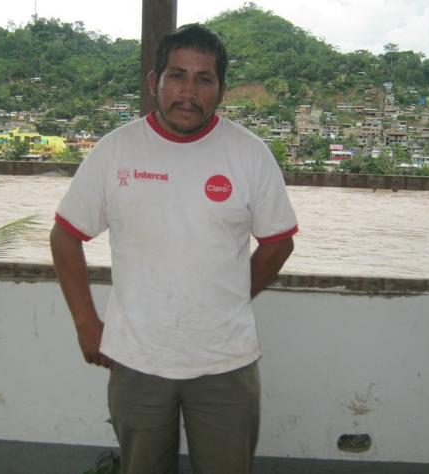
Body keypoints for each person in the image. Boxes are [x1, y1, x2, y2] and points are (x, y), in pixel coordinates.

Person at [50, 24, 298, 474]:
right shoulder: (115, 151)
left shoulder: (249, 154)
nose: (189, 91)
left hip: (226, 360)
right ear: (154, 82)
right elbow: (65, 235)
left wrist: (232, 295)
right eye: (177, 76)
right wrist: (86, 323)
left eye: (204, 79)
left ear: (221, 90)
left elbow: (279, 242)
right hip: (137, 360)